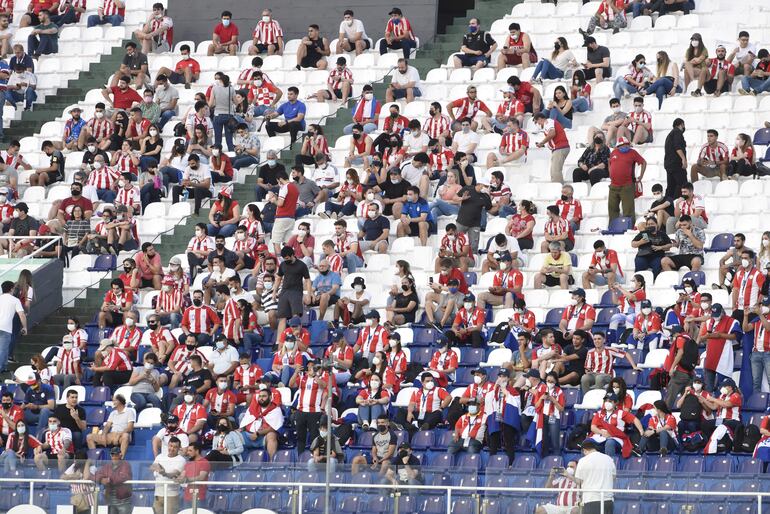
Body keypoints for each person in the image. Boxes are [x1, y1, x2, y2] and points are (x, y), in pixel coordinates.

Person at [697, 304, 742, 392]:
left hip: (723, 356)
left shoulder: (732, 321)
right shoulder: (708, 322)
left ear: (722, 312)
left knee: (724, 387)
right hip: (710, 355)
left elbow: (736, 336)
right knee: (708, 386)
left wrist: (720, 335)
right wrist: (706, 336)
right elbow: (701, 338)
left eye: (717, 315)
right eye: (714, 315)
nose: (715, 317)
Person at [608, 136, 645, 222]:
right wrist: (610, 173)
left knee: (628, 210)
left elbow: (643, 162)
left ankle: (629, 228)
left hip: (627, 186)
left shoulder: (633, 153)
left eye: (627, 144)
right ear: (618, 146)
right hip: (613, 186)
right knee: (612, 209)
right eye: (623, 145)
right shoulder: (614, 152)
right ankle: (613, 227)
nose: (625, 146)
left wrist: (641, 176)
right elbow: (609, 162)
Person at [574, 440, 616, 514]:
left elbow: (578, 481)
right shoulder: (608, 459)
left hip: (591, 500)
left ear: (584, 450)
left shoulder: (583, 460)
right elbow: (613, 478)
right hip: (608, 500)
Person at [150, 436, 185, 514]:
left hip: (171, 496)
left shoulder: (181, 460)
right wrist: (158, 468)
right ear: (168, 445)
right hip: (158, 494)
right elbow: (152, 467)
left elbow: (174, 473)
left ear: (179, 448)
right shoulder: (160, 456)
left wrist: (164, 473)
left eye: (175, 447)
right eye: (171, 446)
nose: (172, 449)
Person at [533, 112, 570, 183]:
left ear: (540, 119)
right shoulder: (549, 123)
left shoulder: (548, 122)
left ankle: (558, 190)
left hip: (560, 148)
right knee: (554, 171)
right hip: (559, 148)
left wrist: (542, 143)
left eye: (536, 122)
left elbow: (552, 133)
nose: (537, 124)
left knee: (555, 171)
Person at [0, 280, 26, 371]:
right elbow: (21, 314)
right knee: (3, 350)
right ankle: (1, 368)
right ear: (11, 289)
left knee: (4, 350)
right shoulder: (15, 300)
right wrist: (24, 327)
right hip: (5, 328)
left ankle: (3, 367)